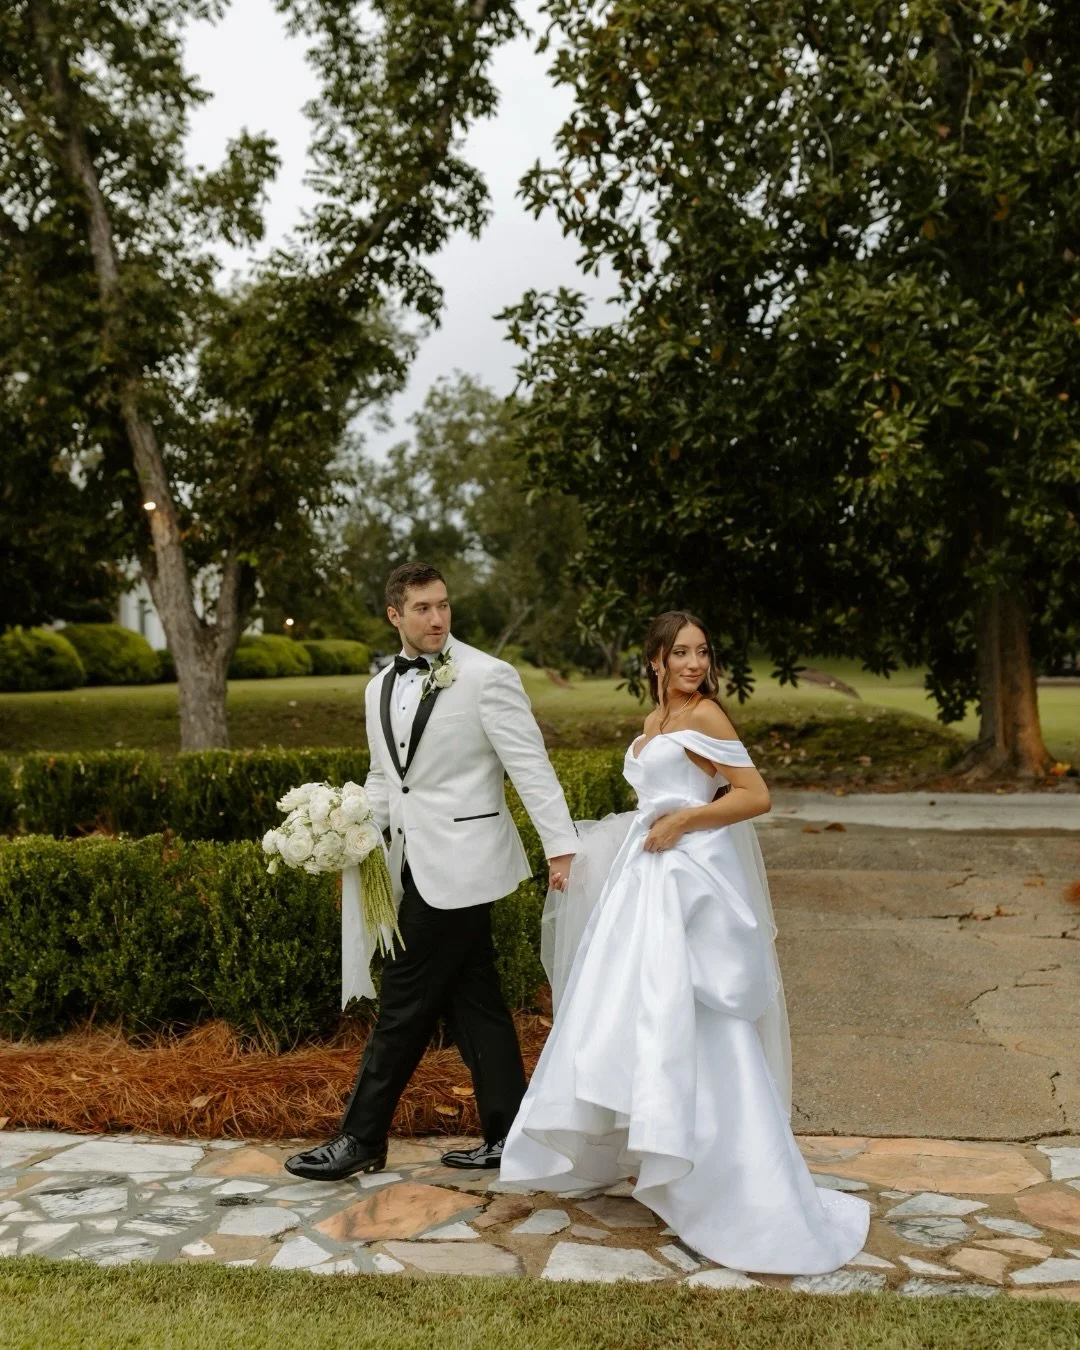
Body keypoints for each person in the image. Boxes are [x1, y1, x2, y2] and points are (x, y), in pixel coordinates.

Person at [500, 611, 870, 1274]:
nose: (695, 664)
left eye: (702, 652)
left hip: (690, 878)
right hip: (646, 878)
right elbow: (653, 803)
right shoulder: (654, 722)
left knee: (698, 1011)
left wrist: (687, 821)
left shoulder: (707, 717)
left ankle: (725, 1176)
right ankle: (652, 1143)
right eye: (681, 653)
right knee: (638, 1009)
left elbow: (755, 796)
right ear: (655, 661)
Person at [285, 562, 577, 1181]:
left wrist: (561, 846)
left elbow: (530, 764)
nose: (437, 617)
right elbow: (385, 781)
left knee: (403, 1002)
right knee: (475, 1001)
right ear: (395, 614)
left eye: (443, 605)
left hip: (467, 863)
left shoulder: (488, 676)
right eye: (422, 608)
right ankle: (509, 1136)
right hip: (411, 865)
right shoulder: (377, 688)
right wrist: (352, 845)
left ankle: (361, 1138)